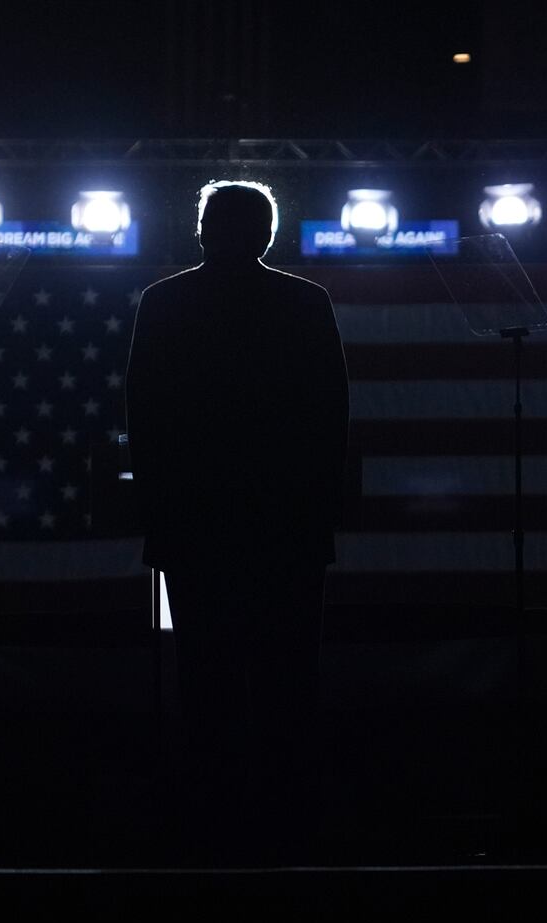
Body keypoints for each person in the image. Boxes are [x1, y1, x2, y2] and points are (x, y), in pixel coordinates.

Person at [125, 180, 349, 858]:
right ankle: (293, 820)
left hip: (196, 528)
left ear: (202, 231)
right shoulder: (306, 302)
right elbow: (330, 418)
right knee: (289, 680)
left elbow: (145, 419)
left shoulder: (164, 302)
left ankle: (207, 821)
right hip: (288, 528)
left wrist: (162, 516)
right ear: (268, 234)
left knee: (205, 679)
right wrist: (314, 513)